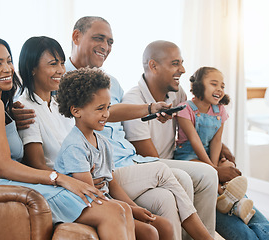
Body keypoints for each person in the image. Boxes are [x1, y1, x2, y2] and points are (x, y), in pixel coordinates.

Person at [16, 35, 207, 240]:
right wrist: (76, 180)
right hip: (69, 187)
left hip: (90, 178)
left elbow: (106, 120)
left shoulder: (61, 105)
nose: (61, 70)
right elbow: (40, 164)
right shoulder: (26, 109)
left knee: (162, 211)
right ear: (32, 68)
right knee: (164, 173)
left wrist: (150, 108)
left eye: (62, 63)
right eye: (53, 64)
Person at [0, 35, 136, 240]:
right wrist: (61, 179)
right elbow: (4, 166)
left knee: (121, 209)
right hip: (0, 186)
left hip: (9, 181)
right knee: (113, 211)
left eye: (9, 61)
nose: (8, 69)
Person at [122, 41, 269, 240]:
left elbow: (191, 130)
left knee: (236, 200)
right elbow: (152, 161)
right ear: (153, 65)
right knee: (213, 182)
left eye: (182, 63)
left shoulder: (177, 94)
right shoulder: (133, 101)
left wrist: (220, 151)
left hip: (184, 161)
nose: (183, 70)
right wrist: (214, 170)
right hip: (159, 169)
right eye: (175, 63)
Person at [55, 67, 175, 240]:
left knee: (164, 226)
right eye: (100, 108)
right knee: (148, 232)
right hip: (81, 204)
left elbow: (112, 184)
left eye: (108, 107)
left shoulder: (103, 142)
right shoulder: (74, 146)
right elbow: (89, 193)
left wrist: (135, 207)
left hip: (105, 199)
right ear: (76, 111)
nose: (106, 114)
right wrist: (131, 209)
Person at [174, 66, 255, 224]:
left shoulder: (220, 111)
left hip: (208, 153)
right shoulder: (186, 109)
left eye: (222, 86)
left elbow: (216, 141)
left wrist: (216, 164)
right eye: (214, 84)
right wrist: (212, 168)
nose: (219, 89)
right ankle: (235, 206)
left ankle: (230, 199)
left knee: (229, 166)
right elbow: (194, 140)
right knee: (209, 173)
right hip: (188, 156)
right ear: (198, 85)